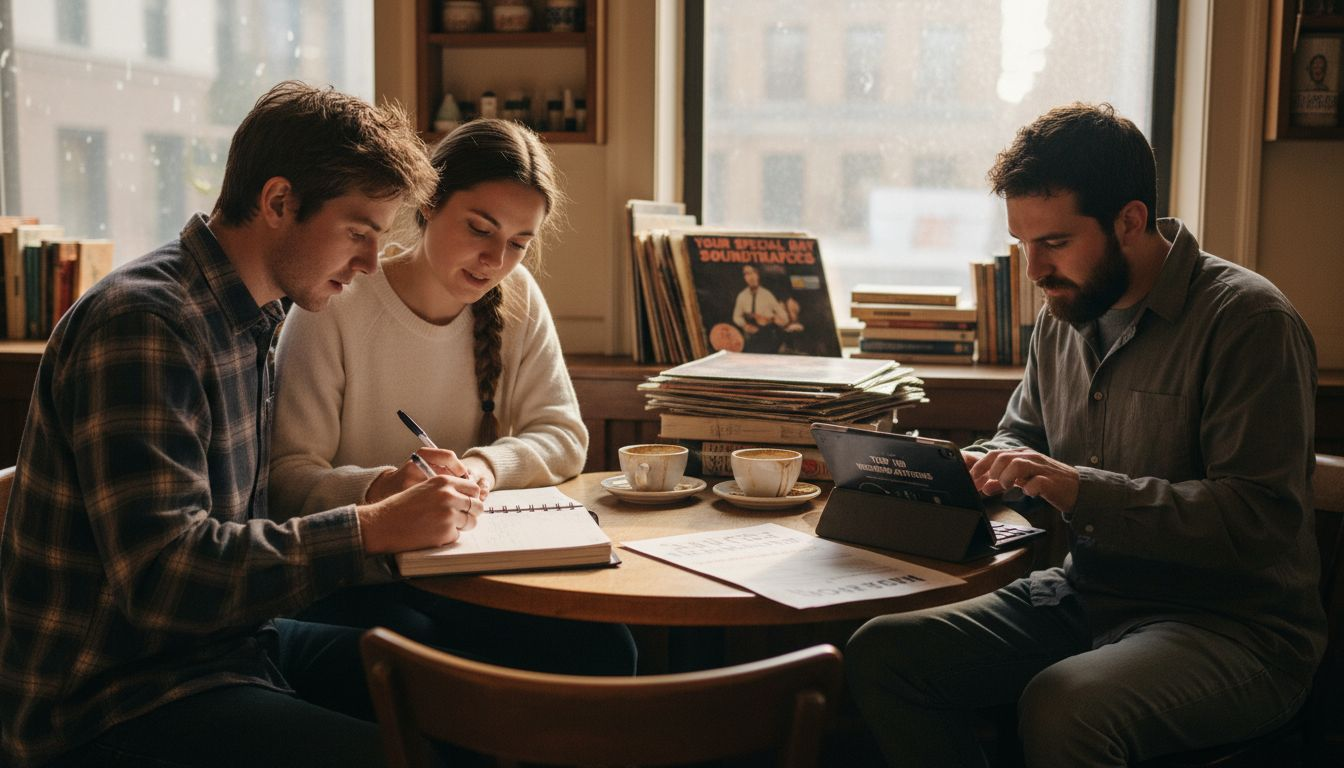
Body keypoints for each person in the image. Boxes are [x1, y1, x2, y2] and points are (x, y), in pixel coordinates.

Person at [0, 81, 467, 768]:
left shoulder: (250, 318)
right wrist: (369, 529)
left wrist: (377, 498)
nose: (371, 264)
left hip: (226, 649)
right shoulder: (146, 324)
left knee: (455, 692)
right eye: (358, 233)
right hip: (111, 699)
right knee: (404, 754)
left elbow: (230, 529)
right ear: (278, 202)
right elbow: (164, 579)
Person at [846, 103, 1323, 766]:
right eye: (1023, 244)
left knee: (1062, 704)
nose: (1034, 270)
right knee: (882, 653)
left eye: (1055, 242)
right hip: (1084, 598)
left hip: (1234, 628)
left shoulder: (1249, 321)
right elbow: (1020, 440)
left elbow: (1259, 518)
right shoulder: (1063, 314)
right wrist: (960, 471)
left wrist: (1081, 490)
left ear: (1130, 220)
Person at [267, 118, 636, 676]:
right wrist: (384, 489)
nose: (496, 260)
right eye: (479, 228)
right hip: (360, 575)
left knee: (604, 646)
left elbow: (563, 436)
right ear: (429, 202)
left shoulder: (517, 297)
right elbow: (285, 479)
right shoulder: (337, 302)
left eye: (518, 243)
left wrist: (482, 468)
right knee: (427, 652)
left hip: (470, 567)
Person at [732, 263, 787, 352]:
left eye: (753, 272)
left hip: (767, 336)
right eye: (747, 273)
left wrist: (770, 319)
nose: (751, 277)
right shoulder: (741, 296)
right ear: (744, 277)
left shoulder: (767, 294)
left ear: (758, 275)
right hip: (750, 338)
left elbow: (784, 317)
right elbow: (736, 316)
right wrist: (745, 325)